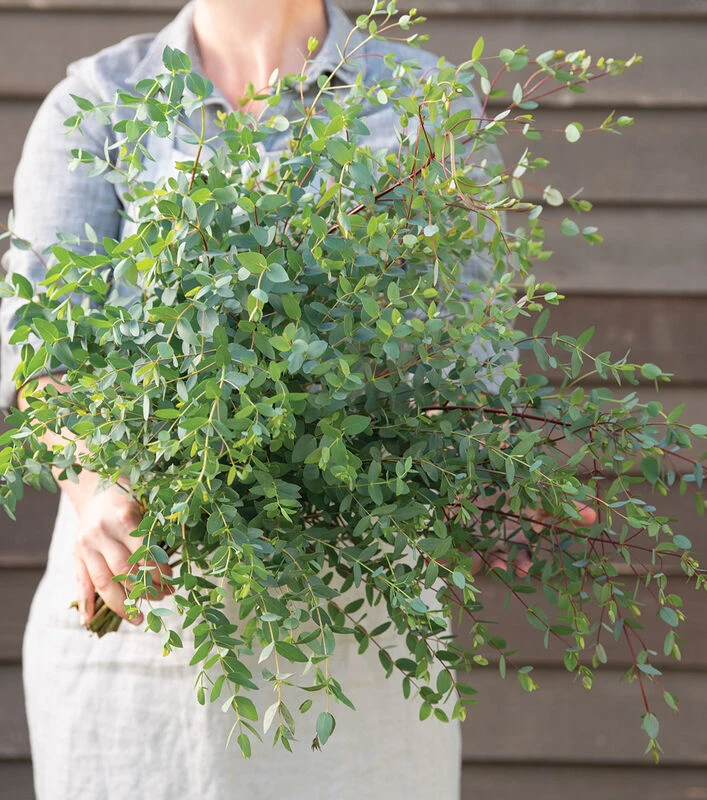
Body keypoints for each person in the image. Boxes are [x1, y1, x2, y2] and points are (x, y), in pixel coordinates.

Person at [0, 2, 597, 797]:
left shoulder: (424, 99)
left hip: (359, 630)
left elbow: (468, 355)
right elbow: (40, 351)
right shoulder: (104, 99)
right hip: (146, 616)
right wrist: (95, 481)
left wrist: (477, 476)